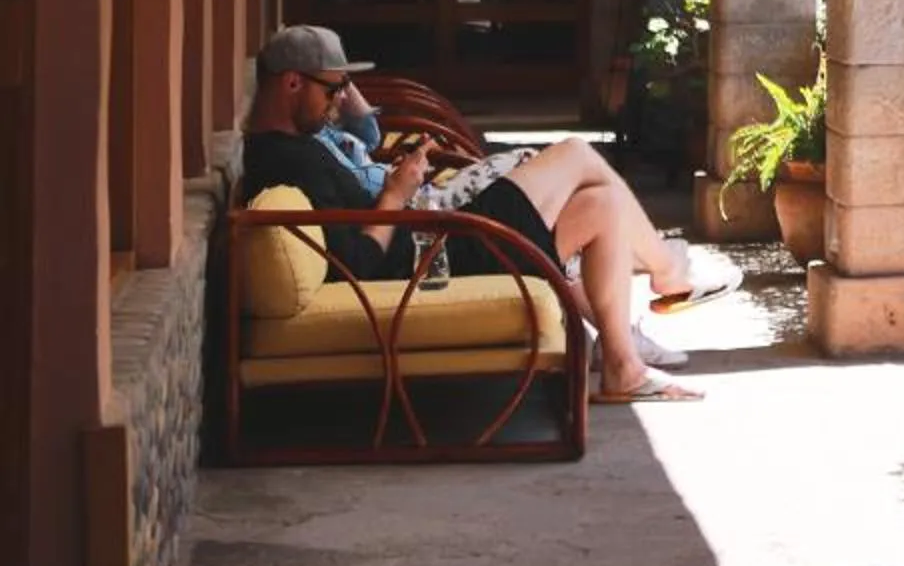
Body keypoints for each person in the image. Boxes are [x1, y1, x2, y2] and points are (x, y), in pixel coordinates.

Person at [237, 26, 736, 404]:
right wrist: (394, 194)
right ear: (293, 84)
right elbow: (359, 263)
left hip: (433, 242)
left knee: (602, 205)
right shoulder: (286, 162)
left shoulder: (294, 147)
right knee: (576, 155)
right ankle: (669, 276)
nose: (338, 102)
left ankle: (623, 366)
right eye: (333, 89)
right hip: (434, 257)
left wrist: (397, 191)